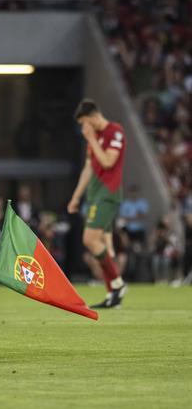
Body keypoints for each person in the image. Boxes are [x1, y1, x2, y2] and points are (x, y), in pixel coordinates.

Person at [67, 99, 127, 308]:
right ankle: (113, 295)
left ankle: (118, 285)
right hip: (94, 196)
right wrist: (76, 197)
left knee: (90, 239)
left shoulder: (114, 131)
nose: (84, 129)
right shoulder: (95, 138)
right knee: (105, 246)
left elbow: (108, 162)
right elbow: (88, 169)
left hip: (107, 194)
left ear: (93, 118)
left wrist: (92, 139)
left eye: (85, 123)